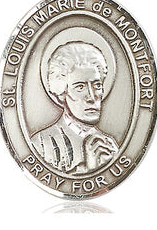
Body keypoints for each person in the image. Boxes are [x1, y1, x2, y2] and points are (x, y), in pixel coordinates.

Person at [31, 41, 118, 175]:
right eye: (80, 87)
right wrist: (89, 171)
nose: (92, 97)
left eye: (97, 85)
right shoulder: (41, 144)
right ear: (62, 92)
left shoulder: (110, 146)